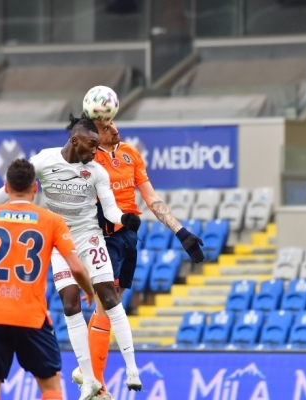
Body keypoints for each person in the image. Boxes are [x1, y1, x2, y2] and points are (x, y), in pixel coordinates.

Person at [0, 116, 144, 394]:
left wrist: (124, 219)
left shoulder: (97, 171)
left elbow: (111, 209)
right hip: (60, 240)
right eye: (92, 145)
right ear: (75, 141)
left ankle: (132, 369)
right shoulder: (45, 161)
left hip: (89, 237)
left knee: (109, 295)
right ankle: (89, 379)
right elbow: (7, 189)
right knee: (70, 303)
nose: (96, 151)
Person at [71, 102, 206, 398]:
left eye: (113, 123)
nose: (114, 129)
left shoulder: (131, 154)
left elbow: (151, 197)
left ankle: (86, 372)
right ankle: (97, 384)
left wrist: (181, 232)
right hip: (103, 234)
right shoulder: (88, 160)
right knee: (106, 305)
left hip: (129, 236)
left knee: (111, 304)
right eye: (106, 126)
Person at [0, 158, 99, 400]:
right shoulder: (51, 221)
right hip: (31, 317)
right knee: (50, 387)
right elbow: (77, 268)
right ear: (35, 188)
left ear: (6, 187)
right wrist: (88, 290)